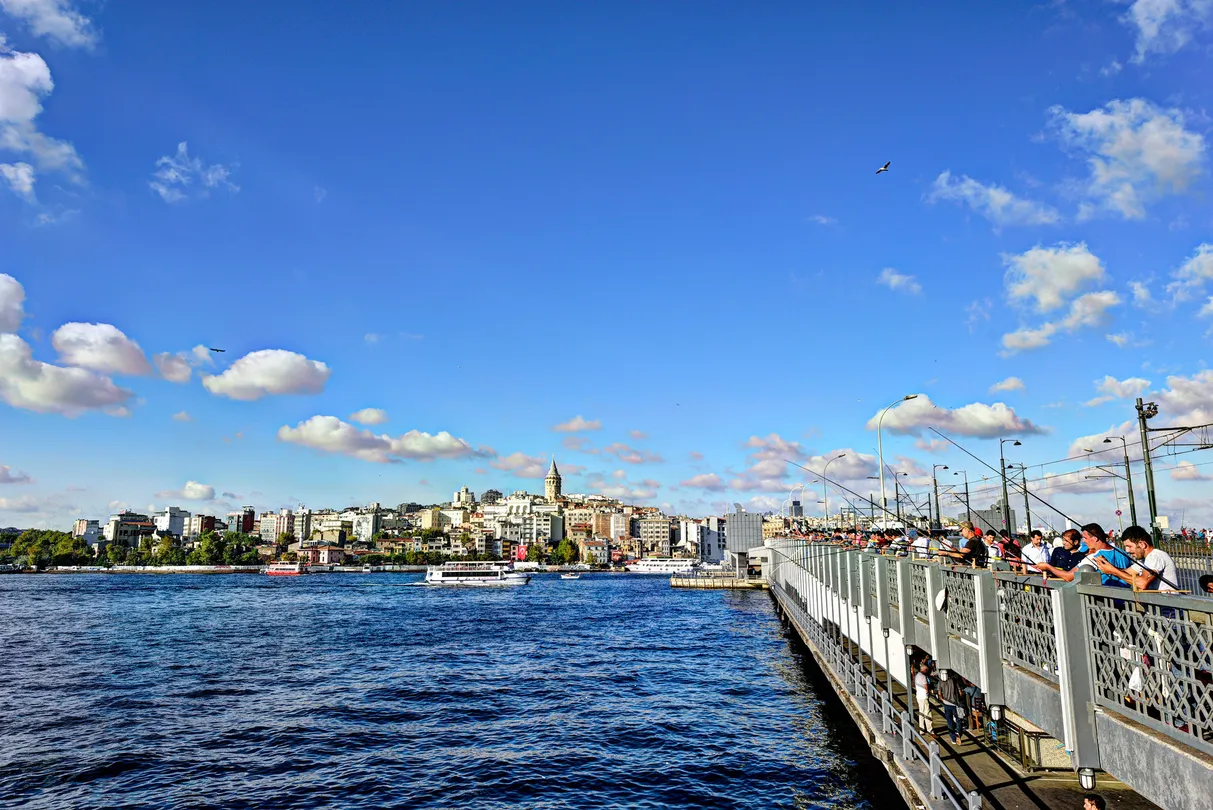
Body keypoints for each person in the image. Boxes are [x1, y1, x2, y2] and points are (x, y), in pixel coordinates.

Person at [1090, 525, 1181, 592]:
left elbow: (1142, 583)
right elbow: (1128, 572)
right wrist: (1108, 566)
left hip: (1168, 614)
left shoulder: (1155, 556)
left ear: (1142, 544)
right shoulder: (1143, 560)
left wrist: (1113, 571)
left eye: (1129, 546)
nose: (1127, 550)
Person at [1037, 524, 1132, 587]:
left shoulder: (1093, 557)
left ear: (1095, 538)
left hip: (1107, 602)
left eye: (1085, 538)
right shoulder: (1122, 552)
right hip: (1127, 600)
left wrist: (1047, 567)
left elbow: (1068, 576)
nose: (1084, 541)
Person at [937, 669, 964, 744]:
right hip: (955, 703)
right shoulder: (953, 680)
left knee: (949, 721)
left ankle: (953, 739)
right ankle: (958, 732)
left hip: (946, 703)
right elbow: (960, 692)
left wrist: (943, 700)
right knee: (958, 719)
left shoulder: (940, 682)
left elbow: (939, 694)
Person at [914, 664, 932, 735]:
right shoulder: (923, 676)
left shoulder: (917, 675)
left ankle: (922, 729)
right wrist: (928, 694)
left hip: (919, 696)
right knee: (927, 712)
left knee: (921, 713)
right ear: (925, 670)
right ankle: (930, 729)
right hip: (924, 697)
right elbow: (926, 687)